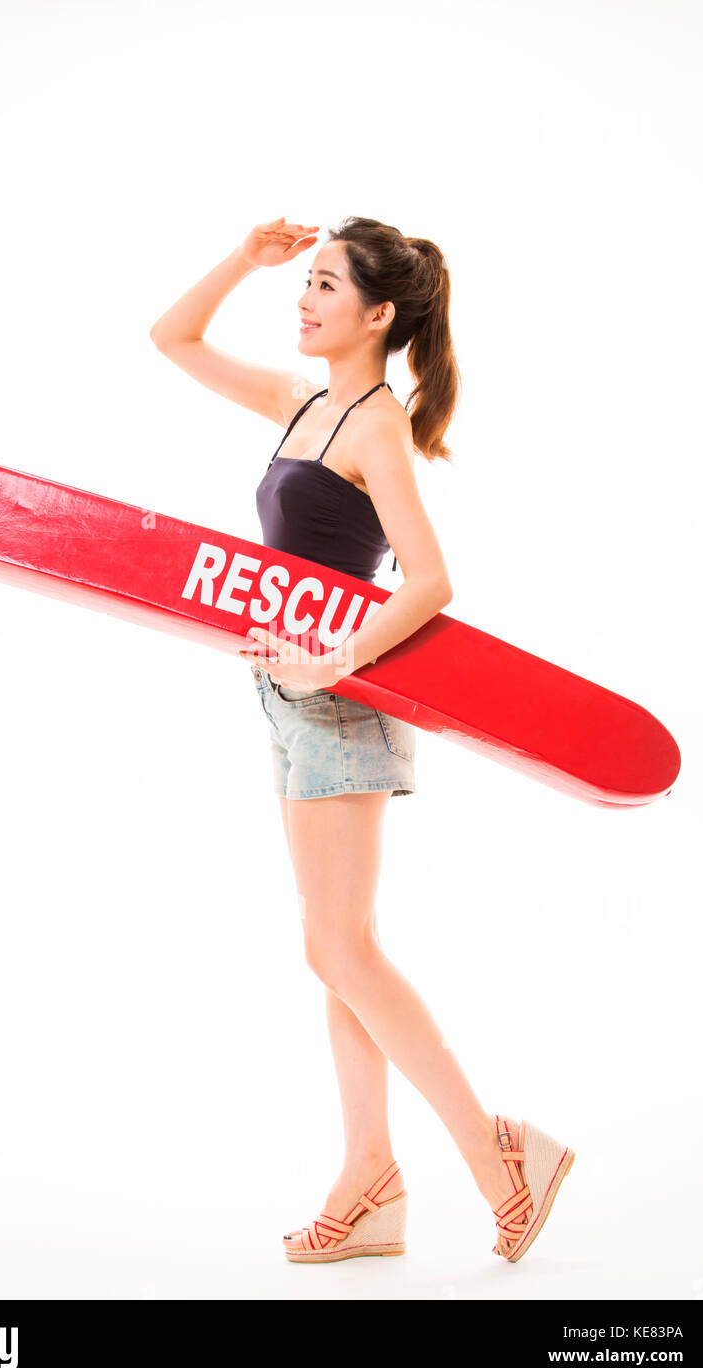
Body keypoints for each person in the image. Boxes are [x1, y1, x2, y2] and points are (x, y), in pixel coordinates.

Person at [149, 215, 574, 1264]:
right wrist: (243, 261)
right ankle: (370, 1176)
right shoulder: (306, 407)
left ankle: (492, 1154)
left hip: (339, 698)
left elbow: (428, 580)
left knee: (338, 946)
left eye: (321, 285)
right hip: (287, 699)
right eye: (302, 283)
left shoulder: (373, 424)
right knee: (334, 950)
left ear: (378, 315)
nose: (301, 300)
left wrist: (332, 662)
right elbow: (174, 339)